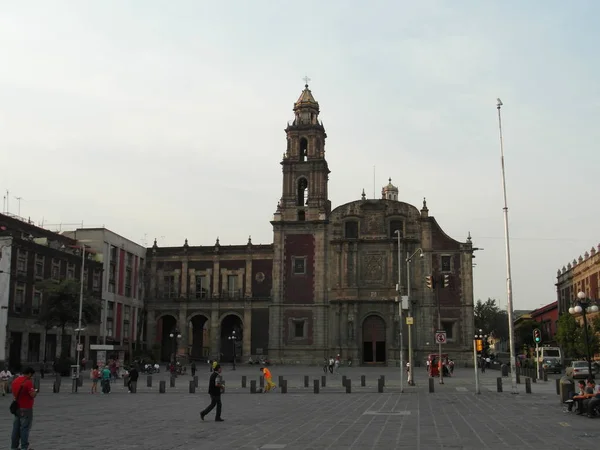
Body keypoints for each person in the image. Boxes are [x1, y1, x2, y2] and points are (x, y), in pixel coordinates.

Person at [11, 367, 38, 450]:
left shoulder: (15, 381)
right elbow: (32, 395)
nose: (31, 377)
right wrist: (35, 391)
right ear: (29, 373)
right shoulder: (28, 382)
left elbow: (14, 395)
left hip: (17, 408)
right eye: (31, 375)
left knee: (16, 429)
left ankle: (14, 447)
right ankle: (24, 447)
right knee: (24, 429)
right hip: (26, 408)